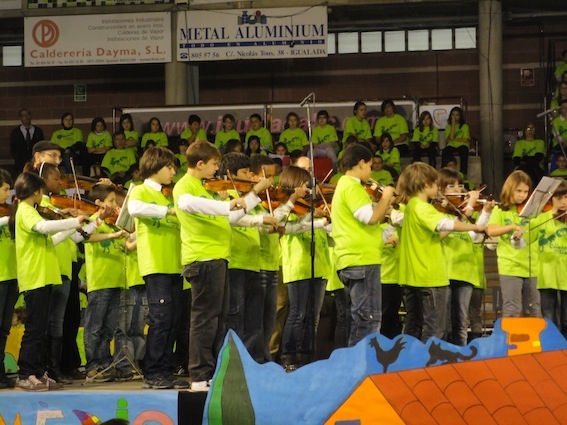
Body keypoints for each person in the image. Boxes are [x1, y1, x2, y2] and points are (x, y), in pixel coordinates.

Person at [172, 140, 270, 392]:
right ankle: (198, 376)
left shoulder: (208, 189)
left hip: (217, 258)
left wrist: (252, 197)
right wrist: (228, 204)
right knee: (205, 319)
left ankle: (213, 372)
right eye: (215, 164)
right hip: (203, 259)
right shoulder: (185, 186)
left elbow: (231, 217)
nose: (217, 169)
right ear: (201, 163)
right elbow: (187, 204)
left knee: (218, 319)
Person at [11, 172, 88, 391]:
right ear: (35, 191)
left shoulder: (31, 212)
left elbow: (51, 239)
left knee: (41, 328)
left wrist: (72, 227)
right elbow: (44, 228)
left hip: (43, 276)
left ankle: (37, 371)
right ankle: (25, 373)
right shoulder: (26, 211)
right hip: (34, 276)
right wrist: (72, 220)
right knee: (35, 329)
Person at [397, 163, 484, 342]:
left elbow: (440, 234)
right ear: (425, 184)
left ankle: (410, 365)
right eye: (436, 183)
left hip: (412, 275)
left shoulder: (412, 207)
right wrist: (475, 225)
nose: (438, 188)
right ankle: (428, 366)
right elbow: (446, 224)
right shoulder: (423, 207)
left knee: (414, 326)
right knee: (435, 329)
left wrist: (458, 216)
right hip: (429, 275)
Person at [128, 146, 187, 389]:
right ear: (154, 167)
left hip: (175, 265)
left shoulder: (168, 194)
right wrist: (169, 210)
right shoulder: (141, 191)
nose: (173, 171)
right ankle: (152, 372)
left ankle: (165, 370)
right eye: (169, 167)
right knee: (160, 319)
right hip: (157, 264)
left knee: (174, 321)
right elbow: (135, 210)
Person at [331, 144, 396, 346]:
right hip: (361, 260)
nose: (371, 171)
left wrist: (384, 206)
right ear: (361, 163)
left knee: (361, 319)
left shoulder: (346, 185)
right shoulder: (352, 186)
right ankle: (362, 369)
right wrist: (385, 198)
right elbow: (370, 218)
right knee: (368, 320)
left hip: (354, 259)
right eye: (369, 165)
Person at [219, 153, 278, 362]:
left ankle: (254, 362)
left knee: (254, 320)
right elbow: (235, 220)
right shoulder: (226, 195)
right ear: (232, 174)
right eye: (245, 172)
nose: (249, 176)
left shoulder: (247, 196)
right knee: (236, 317)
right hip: (235, 262)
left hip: (252, 263)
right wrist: (258, 205)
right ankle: (234, 363)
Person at [279, 162, 331, 370]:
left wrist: (328, 222)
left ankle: (308, 357)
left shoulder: (312, 205)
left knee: (313, 317)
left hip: (319, 265)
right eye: (303, 184)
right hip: (299, 265)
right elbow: (288, 228)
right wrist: (314, 218)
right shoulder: (289, 208)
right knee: (297, 314)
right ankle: (290, 357)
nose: (308, 189)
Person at [437, 168, 493, 346]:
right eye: (451, 186)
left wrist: (485, 213)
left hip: (465, 272)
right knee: (442, 324)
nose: (458, 190)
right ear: (440, 190)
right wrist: (465, 212)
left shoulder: (463, 212)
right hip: (444, 272)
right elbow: (440, 235)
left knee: (461, 325)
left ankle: (460, 361)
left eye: (459, 185)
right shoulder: (437, 212)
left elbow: (475, 237)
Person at [83, 184, 129, 383]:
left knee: (109, 328)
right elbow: (86, 236)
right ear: (99, 203)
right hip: (100, 281)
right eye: (110, 201)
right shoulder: (94, 221)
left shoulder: (113, 224)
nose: (114, 205)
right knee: (95, 326)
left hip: (116, 281)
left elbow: (126, 245)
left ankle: (105, 363)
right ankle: (93, 365)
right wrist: (112, 235)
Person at [486, 170, 540, 318]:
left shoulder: (533, 211)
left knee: (534, 312)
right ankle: (510, 341)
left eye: (526, 191)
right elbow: (491, 230)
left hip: (532, 266)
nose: (523, 195)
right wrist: (512, 227)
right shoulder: (500, 209)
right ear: (510, 189)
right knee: (512, 311)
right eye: (519, 191)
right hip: (510, 266)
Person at [523, 179, 567, 338]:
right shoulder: (542, 219)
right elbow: (522, 242)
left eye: (566, 197)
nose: (563, 202)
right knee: (550, 320)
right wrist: (517, 236)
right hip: (546, 276)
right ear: (551, 199)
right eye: (559, 198)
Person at [0, 169, 17, 389]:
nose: (7, 193)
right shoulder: (5, 216)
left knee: (4, 327)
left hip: (11, 274)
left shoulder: (6, 213)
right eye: (5, 189)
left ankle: (1, 371)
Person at [10, 108, 45, 177]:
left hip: (35, 163)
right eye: (23, 115)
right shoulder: (15, 132)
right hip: (20, 165)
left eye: (28, 115)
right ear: (20, 118)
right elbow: (12, 148)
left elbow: (41, 146)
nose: (26, 117)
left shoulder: (38, 131)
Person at [441, 106, 471, 176]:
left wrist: (455, 139)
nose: (455, 117)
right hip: (452, 145)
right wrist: (453, 125)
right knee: (445, 151)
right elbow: (450, 138)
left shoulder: (465, 126)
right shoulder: (448, 127)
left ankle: (463, 173)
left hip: (462, 145)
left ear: (460, 116)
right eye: (453, 115)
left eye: (457, 115)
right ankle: (444, 172)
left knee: (464, 150)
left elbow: (465, 139)